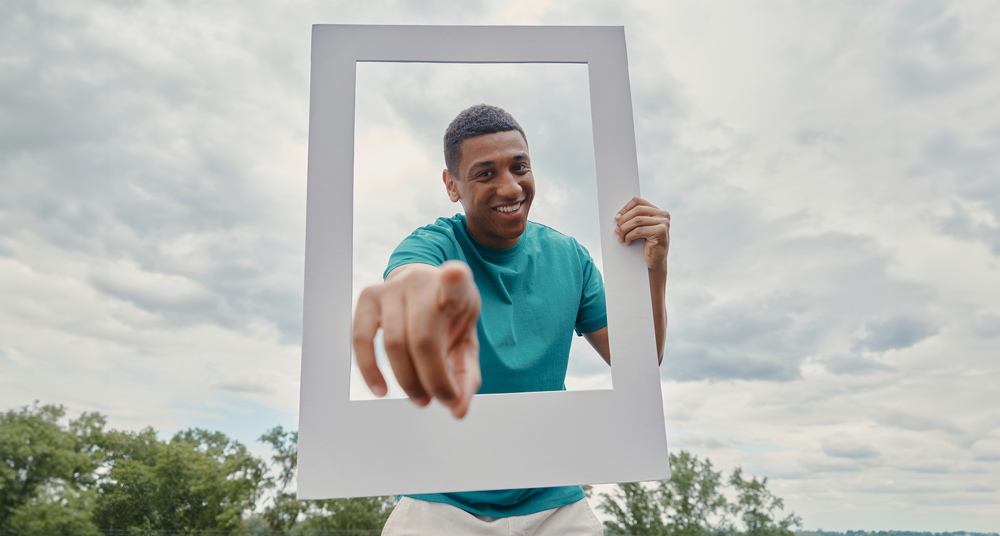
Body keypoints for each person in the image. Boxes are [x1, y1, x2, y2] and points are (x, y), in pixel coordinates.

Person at [353, 104, 670, 535]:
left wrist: (654, 271)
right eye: (485, 173)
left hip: (553, 500)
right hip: (441, 497)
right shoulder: (433, 244)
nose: (510, 187)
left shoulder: (569, 256)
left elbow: (640, 363)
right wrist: (416, 291)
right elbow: (412, 276)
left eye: (519, 167)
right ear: (452, 185)